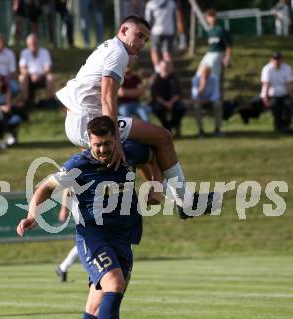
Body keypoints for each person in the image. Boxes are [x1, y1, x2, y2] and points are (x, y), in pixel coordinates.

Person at [17, 116, 153, 319]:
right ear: (89, 142)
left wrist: (154, 184)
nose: (102, 149)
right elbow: (45, 187)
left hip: (123, 238)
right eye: (97, 144)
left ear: (117, 139)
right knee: (113, 285)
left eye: (107, 144)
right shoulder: (79, 164)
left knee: (95, 309)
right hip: (92, 235)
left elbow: (153, 155)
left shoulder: (129, 153)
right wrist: (33, 214)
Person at [56, 15, 218, 219]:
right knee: (163, 137)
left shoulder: (111, 47)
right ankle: (183, 201)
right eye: (139, 36)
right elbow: (107, 98)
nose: (142, 43)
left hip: (79, 121)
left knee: (143, 149)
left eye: (146, 39)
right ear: (123, 30)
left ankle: (167, 193)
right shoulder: (117, 52)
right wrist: (113, 139)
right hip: (88, 121)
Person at [0, 74, 24, 149]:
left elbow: (8, 105)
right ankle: (7, 134)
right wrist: (2, 108)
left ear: (2, 82)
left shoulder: (7, 90)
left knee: (3, 116)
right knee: (0, 116)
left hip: (5, 112)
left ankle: (1, 140)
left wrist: (4, 108)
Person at [150, 60, 186, 135]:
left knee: (181, 108)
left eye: (166, 67)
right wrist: (165, 103)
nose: (165, 69)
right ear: (160, 68)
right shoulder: (155, 79)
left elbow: (178, 93)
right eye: (163, 67)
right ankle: (167, 128)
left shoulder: (174, 78)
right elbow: (155, 95)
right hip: (160, 102)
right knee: (157, 109)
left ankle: (170, 124)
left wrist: (170, 102)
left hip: (173, 101)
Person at [19, 33, 54, 104]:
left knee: (50, 77)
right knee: (22, 78)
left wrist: (40, 75)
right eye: (31, 43)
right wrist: (31, 75)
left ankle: (48, 102)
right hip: (29, 77)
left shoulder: (45, 52)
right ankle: (26, 102)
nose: (34, 45)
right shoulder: (24, 53)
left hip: (42, 76)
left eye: (35, 43)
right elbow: (22, 69)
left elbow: (48, 68)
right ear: (27, 45)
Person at [199, 9, 231, 81]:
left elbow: (228, 45)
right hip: (209, 53)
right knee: (200, 71)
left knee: (214, 75)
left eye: (213, 16)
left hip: (219, 53)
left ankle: (215, 91)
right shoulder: (209, 31)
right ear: (207, 19)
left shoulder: (220, 30)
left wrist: (227, 57)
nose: (211, 19)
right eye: (209, 17)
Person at [145, 0, 178, 71]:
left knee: (155, 51)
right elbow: (175, 19)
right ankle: (169, 73)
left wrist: (147, 33)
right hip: (169, 31)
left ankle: (158, 71)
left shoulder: (150, 4)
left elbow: (148, 20)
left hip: (156, 31)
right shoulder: (172, 3)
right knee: (167, 54)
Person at [55, 188, 79, 282]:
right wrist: (64, 208)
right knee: (87, 240)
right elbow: (68, 186)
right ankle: (62, 267)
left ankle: (62, 268)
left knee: (87, 242)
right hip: (85, 211)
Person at [191, 64, 222, 137]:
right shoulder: (195, 79)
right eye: (203, 72)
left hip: (210, 101)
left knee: (217, 104)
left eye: (207, 72)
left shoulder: (214, 79)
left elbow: (216, 94)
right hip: (200, 101)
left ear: (210, 72)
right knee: (196, 107)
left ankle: (217, 129)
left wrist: (206, 101)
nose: (205, 74)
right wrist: (202, 85)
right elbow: (195, 95)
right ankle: (201, 130)